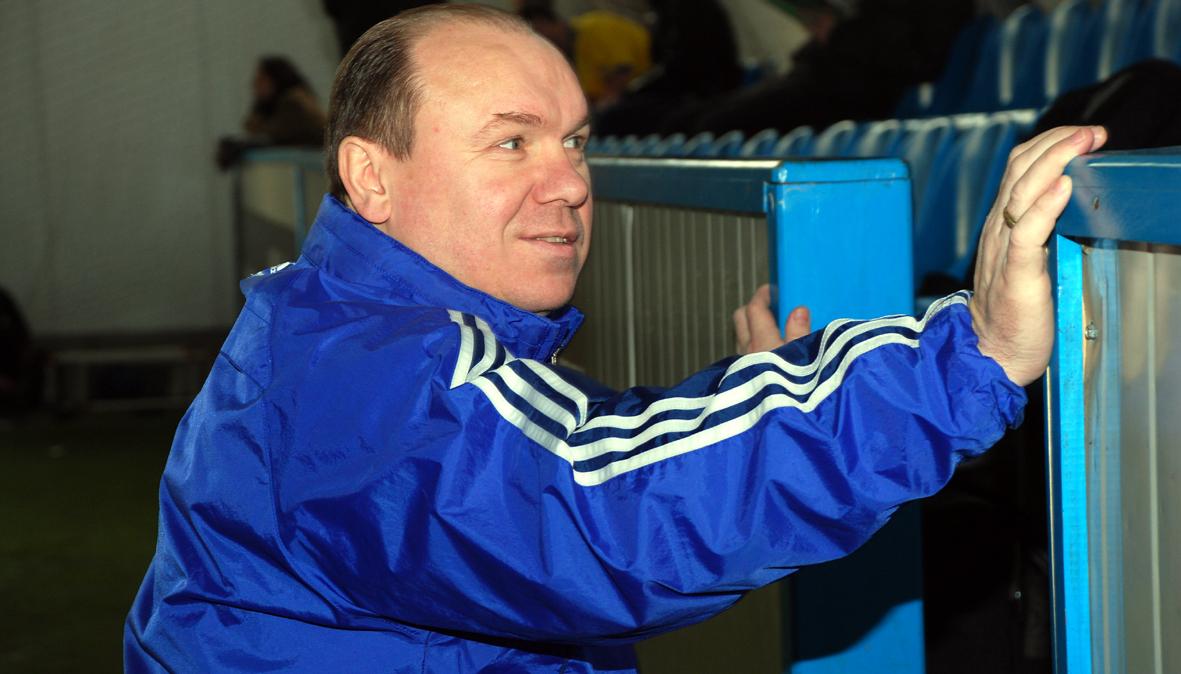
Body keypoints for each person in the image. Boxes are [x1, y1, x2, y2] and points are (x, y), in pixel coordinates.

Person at [124, 5, 1106, 672]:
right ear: (371, 177)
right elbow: (606, 508)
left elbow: (560, 454)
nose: (567, 182)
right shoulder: (371, 376)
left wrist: (747, 392)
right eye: (511, 142)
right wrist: (969, 354)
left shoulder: (340, 326)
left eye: (574, 142)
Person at [520, 4, 652, 108]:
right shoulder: (566, 54)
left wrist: (605, 104)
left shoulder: (596, 28)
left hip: (649, 81)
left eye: (539, 32)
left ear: (548, 22)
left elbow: (622, 70)